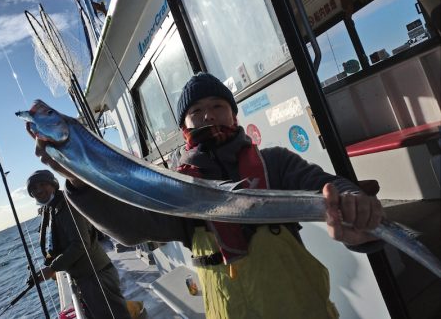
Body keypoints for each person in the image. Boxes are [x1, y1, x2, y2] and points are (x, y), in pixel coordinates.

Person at [29, 73, 384, 319]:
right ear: (184, 127)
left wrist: (354, 207)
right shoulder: (177, 186)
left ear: (234, 112)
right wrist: (78, 182)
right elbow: (131, 228)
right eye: (195, 111)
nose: (207, 115)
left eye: (217, 105)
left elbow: (322, 183)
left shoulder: (273, 162)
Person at [26, 169, 134, 319]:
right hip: (86, 278)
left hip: (96, 277)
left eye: (42, 184)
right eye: (33, 189)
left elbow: (80, 244)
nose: (38, 190)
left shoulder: (66, 206)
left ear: (53, 184)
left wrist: (52, 269)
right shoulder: (53, 208)